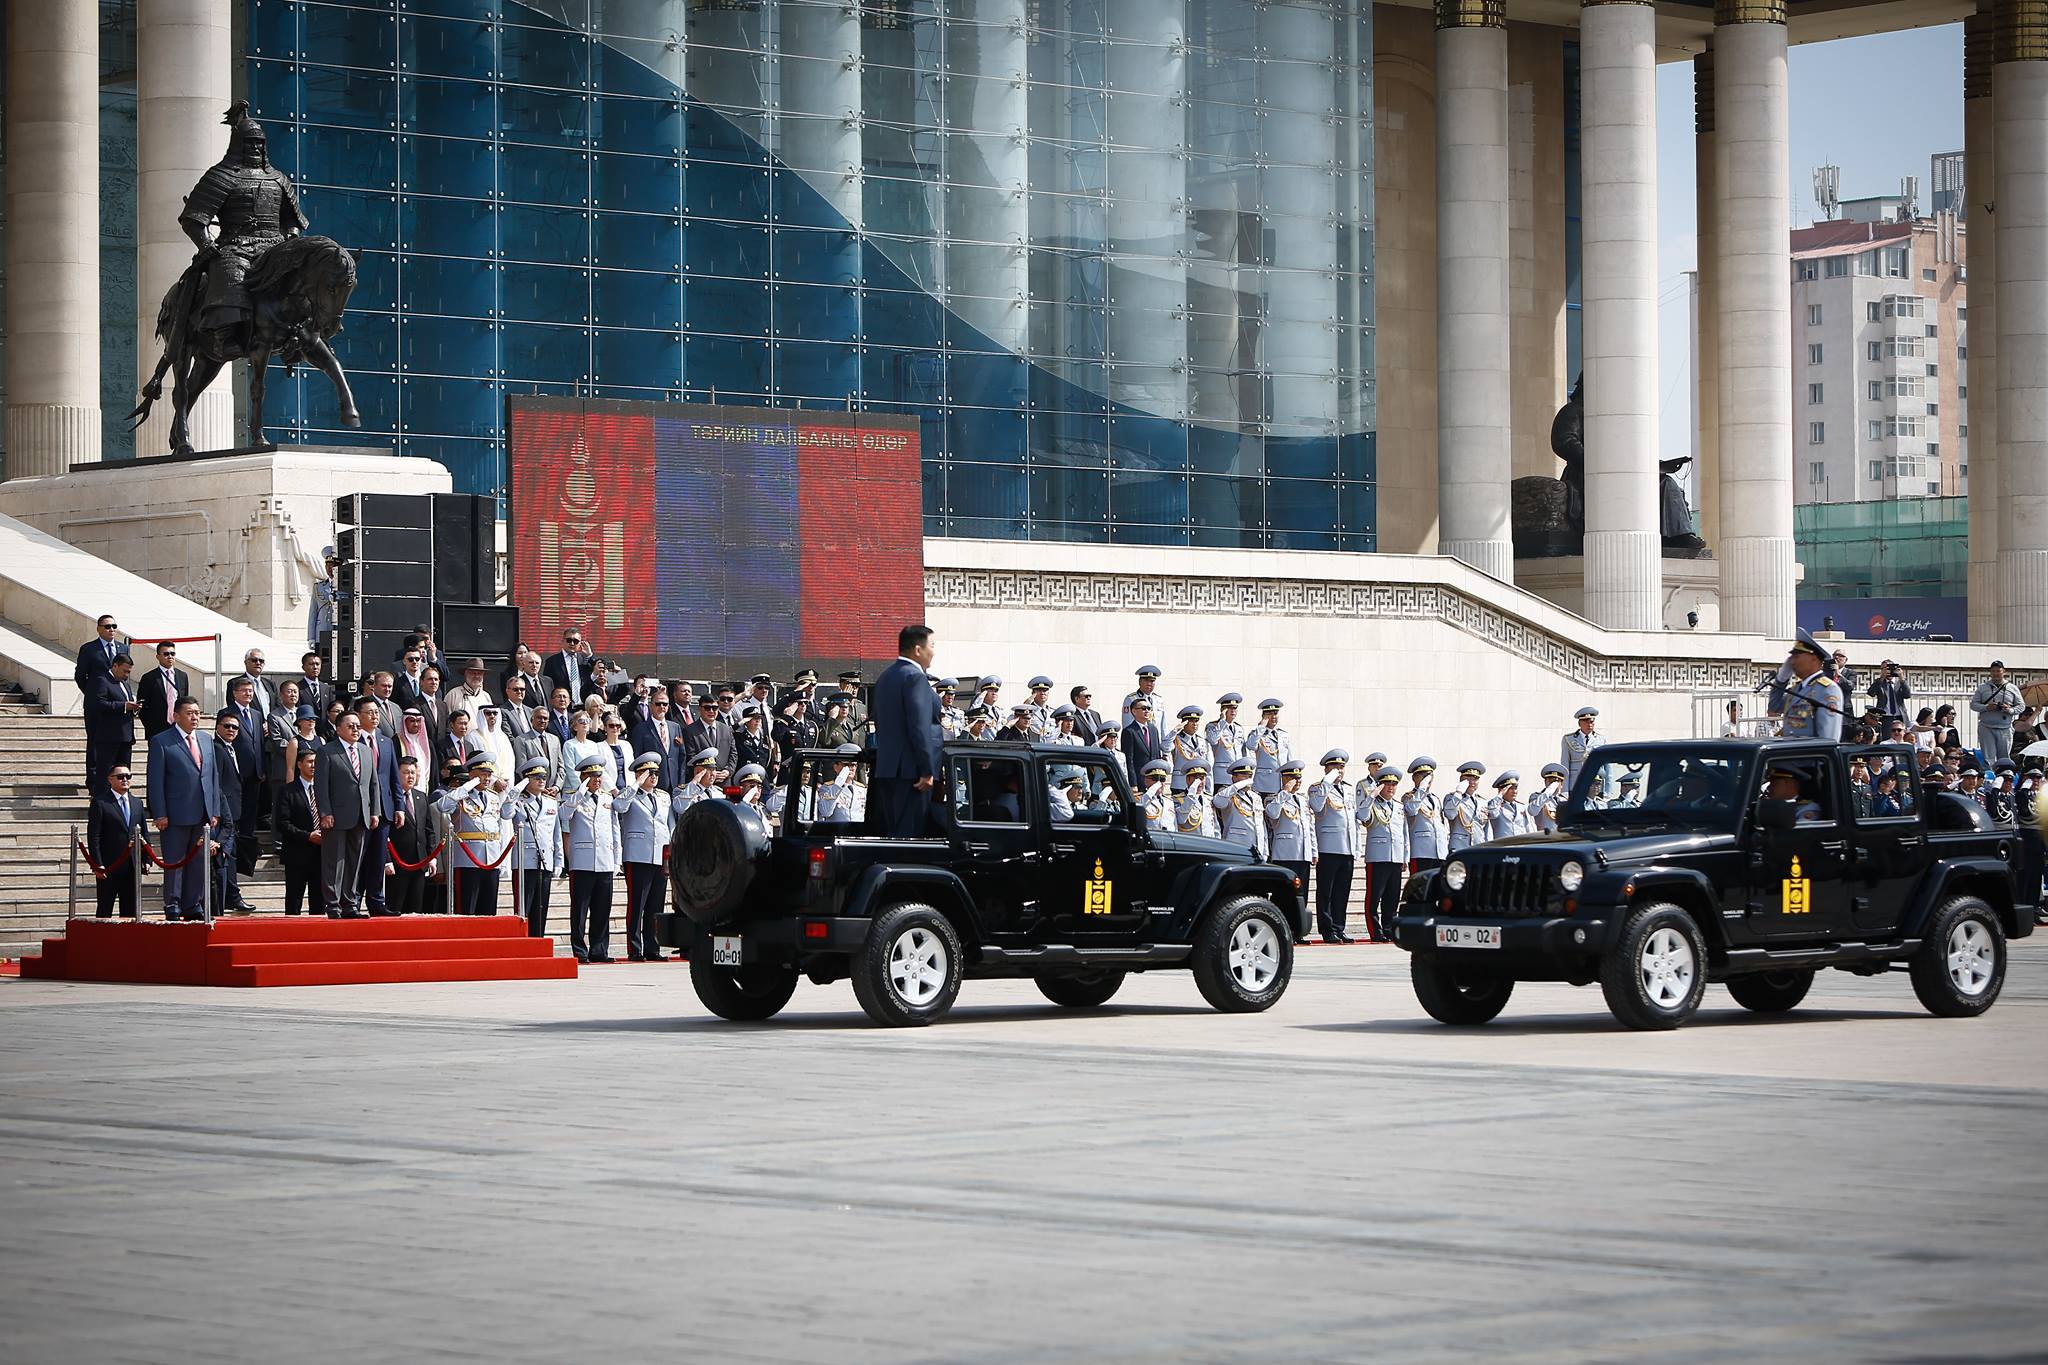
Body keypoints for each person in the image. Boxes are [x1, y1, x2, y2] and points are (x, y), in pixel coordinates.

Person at [146, 697, 222, 921]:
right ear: (176, 716)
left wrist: (214, 809)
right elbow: (155, 780)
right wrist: (159, 812)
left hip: (202, 813)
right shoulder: (162, 741)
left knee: (198, 861)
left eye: (197, 713)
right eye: (189, 713)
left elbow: (213, 777)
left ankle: (193, 903)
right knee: (175, 861)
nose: (195, 717)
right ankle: (173, 903)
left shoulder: (207, 740)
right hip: (176, 813)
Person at [873, 624, 944, 839]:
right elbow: (919, 727)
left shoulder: (886, 676)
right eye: (931, 645)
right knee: (909, 837)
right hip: (912, 773)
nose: (934, 651)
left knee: (895, 833)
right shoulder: (915, 677)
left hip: (889, 769)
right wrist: (927, 770)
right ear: (917, 649)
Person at [316, 710, 381, 919]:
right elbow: (321, 785)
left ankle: (350, 904)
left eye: (357, 725)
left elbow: (373, 784)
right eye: (350, 725)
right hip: (336, 816)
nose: (355, 729)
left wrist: (375, 812)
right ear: (338, 729)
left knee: (354, 861)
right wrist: (325, 812)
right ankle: (333, 905)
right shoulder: (327, 751)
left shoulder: (365, 751)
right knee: (334, 861)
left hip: (361, 814)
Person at [561, 755, 621, 963]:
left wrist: (616, 860)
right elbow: (564, 814)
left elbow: (615, 829)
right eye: (592, 776)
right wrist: (580, 792)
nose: (597, 780)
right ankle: (579, 949)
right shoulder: (575, 798)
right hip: (583, 861)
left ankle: (599, 949)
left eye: (599, 776)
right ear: (584, 778)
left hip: (604, 859)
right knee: (580, 909)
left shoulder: (607, 799)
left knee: (602, 908)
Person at [617, 754, 674, 962]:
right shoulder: (630, 794)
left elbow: (668, 823)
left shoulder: (663, 796)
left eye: (656, 773)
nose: (654, 777)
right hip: (638, 854)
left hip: (659, 854)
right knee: (637, 904)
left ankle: (653, 947)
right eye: (649, 773)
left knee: (655, 905)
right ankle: (634, 948)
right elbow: (619, 806)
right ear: (639, 774)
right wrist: (636, 784)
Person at [438, 754, 509, 917]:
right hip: (468, 861)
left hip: (491, 859)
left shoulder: (493, 797)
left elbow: (499, 827)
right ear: (472, 774)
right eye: (483, 773)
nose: (487, 778)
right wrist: (466, 787)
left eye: (489, 774)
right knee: (467, 909)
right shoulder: (460, 795)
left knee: (489, 910)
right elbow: (443, 806)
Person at [208, 707, 255, 914]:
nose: (231, 730)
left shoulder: (231, 748)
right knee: (226, 856)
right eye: (226, 726)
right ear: (217, 727)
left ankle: (231, 896)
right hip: (223, 812)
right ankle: (232, 897)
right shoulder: (217, 749)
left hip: (234, 810)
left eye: (235, 727)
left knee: (230, 855)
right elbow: (215, 782)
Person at [507, 757, 560, 937]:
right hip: (524, 862)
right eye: (536, 776)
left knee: (541, 906)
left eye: (543, 776)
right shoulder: (518, 801)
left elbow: (556, 834)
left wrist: (558, 861)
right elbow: (506, 814)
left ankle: (539, 940)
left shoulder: (550, 802)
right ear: (526, 779)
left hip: (545, 861)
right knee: (524, 907)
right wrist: (515, 791)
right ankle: (521, 941)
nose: (541, 780)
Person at [1309, 750, 1357, 944]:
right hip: (1328, 847)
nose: (1339, 770)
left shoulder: (1348, 789)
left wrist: (1355, 847)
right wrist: (1327, 782)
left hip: (1347, 847)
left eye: (1342, 767)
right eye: (1335, 767)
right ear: (1326, 768)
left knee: (1342, 891)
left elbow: (1353, 818)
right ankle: (1327, 929)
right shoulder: (1318, 788)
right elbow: (1317, 807)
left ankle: (1339, 927)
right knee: (1326, 892)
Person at [89, 764, 147, 919]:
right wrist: (97, 864)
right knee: (104, 909)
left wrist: (146, 859)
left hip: (131, 865)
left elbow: (144, 834)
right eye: (120, 777)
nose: (125, 780)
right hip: (109, 867)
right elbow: (94, 836)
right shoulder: (100, 803)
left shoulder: (137, 803)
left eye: (128, 776)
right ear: (110, 779)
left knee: (130, 911)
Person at [271, 746, 324, 915]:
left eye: (316, 762)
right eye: (309, 762)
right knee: (294, 900)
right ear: (299, 764)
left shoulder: (325, 789)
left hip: (321, 855)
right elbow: (282, 823)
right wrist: (308, 836)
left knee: (319, 901)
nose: (313, 765)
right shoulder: (287, 791)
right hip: (296, 854)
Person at [1264, 761, 1315, 936]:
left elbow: (1309, 827)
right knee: (1283, 896)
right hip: (1285, 853)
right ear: (1284, 779)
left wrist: (1313, 851)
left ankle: (1299, 931)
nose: (1297, 781)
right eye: (1293, 777)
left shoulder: (1302, 799)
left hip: (1303, 853)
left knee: (1302, 894)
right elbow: (1272, 814)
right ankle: (1282, 931)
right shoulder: (1274, 798)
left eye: (1299, 777)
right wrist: (1284, 792)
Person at [1359, 769, 1406, 944]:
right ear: (1380, 785)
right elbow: (1362, 816)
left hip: (1395, 857)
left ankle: (1389, 929)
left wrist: (1404, 857)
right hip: (1378, 857)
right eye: (1387, 784)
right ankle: (1375, 930)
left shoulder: (1399, 806)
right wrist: (1371, 796)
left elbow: (1403, 833)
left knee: (1392, 897)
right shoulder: (1371, 803)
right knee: (1374, 897)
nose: (1391, 788)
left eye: (1394, 784)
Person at [225, 676, 265, 876]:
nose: (248, 694)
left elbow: (259, 743)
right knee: (235, 815)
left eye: (250, 691)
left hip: (255, 773)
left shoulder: (257, 715)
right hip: (235, 773)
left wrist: (262, 768)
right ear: (235, 693)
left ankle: (247, 853)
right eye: (244, 691)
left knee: (250, 815)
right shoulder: (227, 714)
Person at [84, 651, 139, 795]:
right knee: (106, 772)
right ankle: (101, 801)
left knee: (123, 773)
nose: (126, 675)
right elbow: (98, 704)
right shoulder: (102, 680)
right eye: (124, 671)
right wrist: (123, 706)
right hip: (109, 737)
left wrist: (133, 708)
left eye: (129, 672)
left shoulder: (125, 685)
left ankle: (121, 800)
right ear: (115, 666)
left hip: (125, 737)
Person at [384, 755, 431, 916]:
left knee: (416, 910)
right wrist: (387, 860)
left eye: (413, 772)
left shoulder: (421, 797)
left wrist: (431, 857)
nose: (410, 776)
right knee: (396, 908)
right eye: (406, 772)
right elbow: (384, 833)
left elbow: (428, 830)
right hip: (398, 864)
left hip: (419, 863)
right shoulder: (389, 798)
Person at [1781, 629, 1845, 741]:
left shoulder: (1828, 690)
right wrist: (1781, 679)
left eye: (1797, 656)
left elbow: (1827, 740)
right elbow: (1773, 707)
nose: (1792, 661)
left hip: (1810, 757)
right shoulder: (1797, 688)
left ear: (1813, 659)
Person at [1972, 660, 2024, 766]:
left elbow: (2021, 706)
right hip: (1986, 727)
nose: (1996, 674)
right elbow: (1973, 705)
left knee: (2004, 758)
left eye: (1998, 671)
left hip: (2005, 727)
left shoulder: (2012, 688)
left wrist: (2010, 710)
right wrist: (1987, 707)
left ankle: (2004, 777)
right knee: (1988, 758)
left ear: (2004, 671)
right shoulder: (1982, 687)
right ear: (1990, 672)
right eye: (1993, 671)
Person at [138, 640, 191, 741]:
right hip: (156, 730)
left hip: (178, 727)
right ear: (158, 656)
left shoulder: (182, 676)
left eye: (172, 654)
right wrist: (150, 726)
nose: (170, 657)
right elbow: (142, 706)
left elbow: (184, 702)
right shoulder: (149, 678)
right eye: (166, 654)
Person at [1213, 759, 1267, 857]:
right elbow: (1218, 802)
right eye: (1244, 776)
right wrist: (1237, 786)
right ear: (1234, 777)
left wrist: (1265, 851)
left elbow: (1261, 825)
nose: (1248, 780)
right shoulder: (1228, 793)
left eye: (1250, 776)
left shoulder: (1256, 797)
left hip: (1257, 849)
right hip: (1236, 847)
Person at [1405, 757, 1445, 872]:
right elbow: (1412, 810)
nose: (1426, 780)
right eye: (1421, 776)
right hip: (1421, 852)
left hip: (1439, 851)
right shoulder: (1409, 797)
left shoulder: (1435, 798)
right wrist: (1421, 789)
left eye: (1428, 776)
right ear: (1414, 778)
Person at [543, 629, 598, 707]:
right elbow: (547, 686)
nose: (572, 643)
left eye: (575, 641)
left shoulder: (584, 659)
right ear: (563, 641)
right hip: (563, 707)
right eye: (569, 640)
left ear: (580, 643)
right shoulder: (552, 661)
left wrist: (589, 655)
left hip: (584, 706)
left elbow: (597, 669)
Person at [1444, 761, 1487, 853]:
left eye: (1475, 779)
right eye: (1468, 778)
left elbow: (1485, 827)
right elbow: (1450, 814)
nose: (1472, 782)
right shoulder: (1452, 798)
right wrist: (1459, 793)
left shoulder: (1482, 801)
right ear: (1461, 780)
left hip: (1479, 846)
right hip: (1459, 847)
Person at [1250, 699, 1291, 795]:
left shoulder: (1283, 735)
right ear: (1264, 716)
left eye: (1275, 713)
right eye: (1269, 714)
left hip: (1282, 783)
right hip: (1264, 784)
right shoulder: (1257, 734)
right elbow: (1251, 745)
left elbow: (1289, 759)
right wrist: (1261, 726)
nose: (1273, 717)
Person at [818, 745, 865, 824]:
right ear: (835, 767)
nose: (850, 768)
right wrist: (838, 784)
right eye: (846, 765)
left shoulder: (862, 789)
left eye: (853, 765)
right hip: (838, 833)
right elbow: (825, 812)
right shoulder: (827, 788)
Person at [1121, 665, 1168, 744]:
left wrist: (1166, 750)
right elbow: (1127, 725)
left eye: (1152, 681)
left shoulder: (1158, 699)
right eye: (1146, 680)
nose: (1149, 683)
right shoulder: (1131, 699)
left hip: (1156, 743)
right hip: (1140, 743)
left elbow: (1163, 727)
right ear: (1140, 681)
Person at [1561, 706, 1602, 790]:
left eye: (1591, 722)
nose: (1590, 725)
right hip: (1575, 784)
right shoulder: (1569, 739)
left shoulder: (1601, 739)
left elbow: (1607, 768)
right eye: (1586, 722)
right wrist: (1565, 790)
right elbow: (1565, 765)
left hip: (1595, 784)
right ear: (1580, 723)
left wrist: (1607, 792)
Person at [309, 546, 339, 653]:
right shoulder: (319, 587)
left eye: (333, 566)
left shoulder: (348, 586)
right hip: (321, 632)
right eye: (328, 565)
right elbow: (313, 612)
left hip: (340, 632)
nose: (330, 569)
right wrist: (311, 637)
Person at [1178, 761, 1219, 838]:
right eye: (1196, 778)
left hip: (1210, 842)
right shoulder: (1178, 799)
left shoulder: (1209, 799)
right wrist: (1192, 791)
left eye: (1202, 778)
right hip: (1191, 843)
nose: (1199, 782)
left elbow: (1215, 825)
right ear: (1188, 779)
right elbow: (1181, 819)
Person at [1137, 759, 1176, 833]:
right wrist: (1152, 790)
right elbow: (1140, 808)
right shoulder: (1139, 799)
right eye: (1155, 779)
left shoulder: (1169, 801)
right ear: (1146, 780)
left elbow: (1175, 826)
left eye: (1162, 779)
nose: (1159, 783)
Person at [1487, 771, 1529, 838]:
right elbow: (1492, 814)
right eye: (1510, 788)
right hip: (1503, 846)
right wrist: (1500, 795)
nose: (1514, 791)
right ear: (1502, 790)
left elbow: (1526, 828)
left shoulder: (1521, 806)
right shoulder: (1495, 805)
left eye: (1515, 788)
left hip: (1521, 845)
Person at [294, 649, 334, 719]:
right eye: (311, 664)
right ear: (303, 667)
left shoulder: (326, 688)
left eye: (317, 664)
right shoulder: (298, 688)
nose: (315, 667)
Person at [1530, 762, 1567, 833]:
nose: (1553, 784)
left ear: (1561, 784)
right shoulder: (1537, 797)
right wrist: (1549, 791)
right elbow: (1532, 811)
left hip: (1562, 838)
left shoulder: (1564, 800)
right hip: (1545, 839)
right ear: (1545, 782)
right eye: (1550, 781)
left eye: (1556, 781)